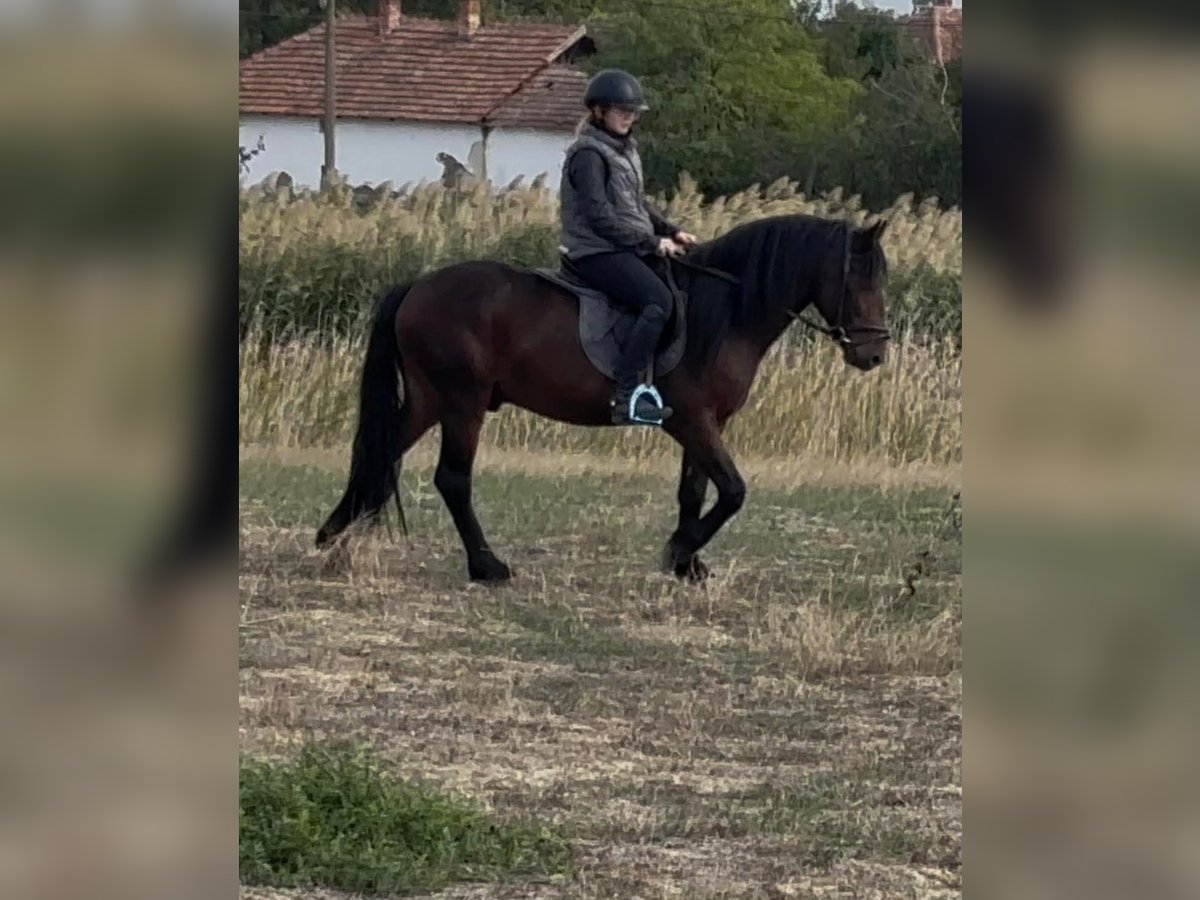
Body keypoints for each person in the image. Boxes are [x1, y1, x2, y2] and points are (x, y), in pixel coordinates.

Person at [558, 69, 698, 426]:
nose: (629, 117)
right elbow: (598, 216)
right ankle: (626, 395)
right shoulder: (588, 155)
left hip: (624, 247)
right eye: (622, 111)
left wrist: (671, 230)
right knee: (658, 301)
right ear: (599, 112)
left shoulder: (623, 150)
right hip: (595, 251)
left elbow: (636, 206)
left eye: (633, 112)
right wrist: (652, 243)